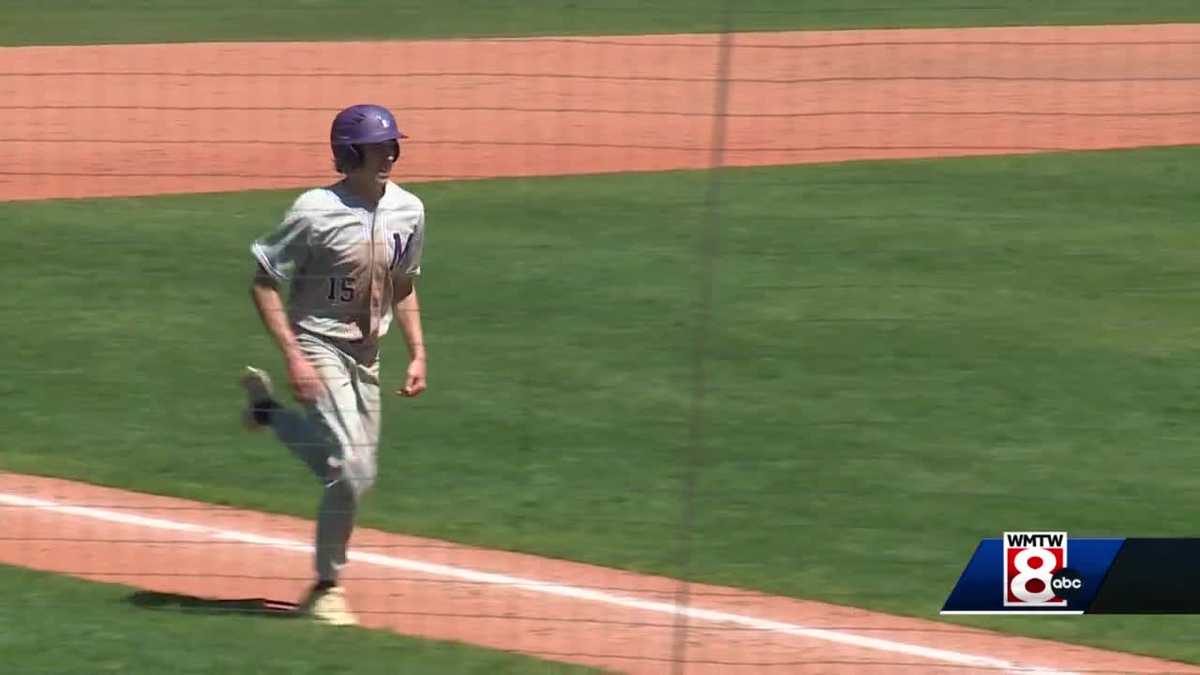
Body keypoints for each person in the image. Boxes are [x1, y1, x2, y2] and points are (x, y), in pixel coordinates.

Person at [240, 103, 427, 626]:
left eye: (393, 144)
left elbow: (404, 284)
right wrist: (295, 356)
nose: (389, 153)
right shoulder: (314, 210)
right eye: (378, 146)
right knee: (352, 468)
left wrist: (419, 352)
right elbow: (262, 280)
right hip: (318, 345)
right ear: (350, 153)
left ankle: (269, 413)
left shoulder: (409, 210)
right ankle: (326, 587)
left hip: (367, 356)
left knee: (348, 473)